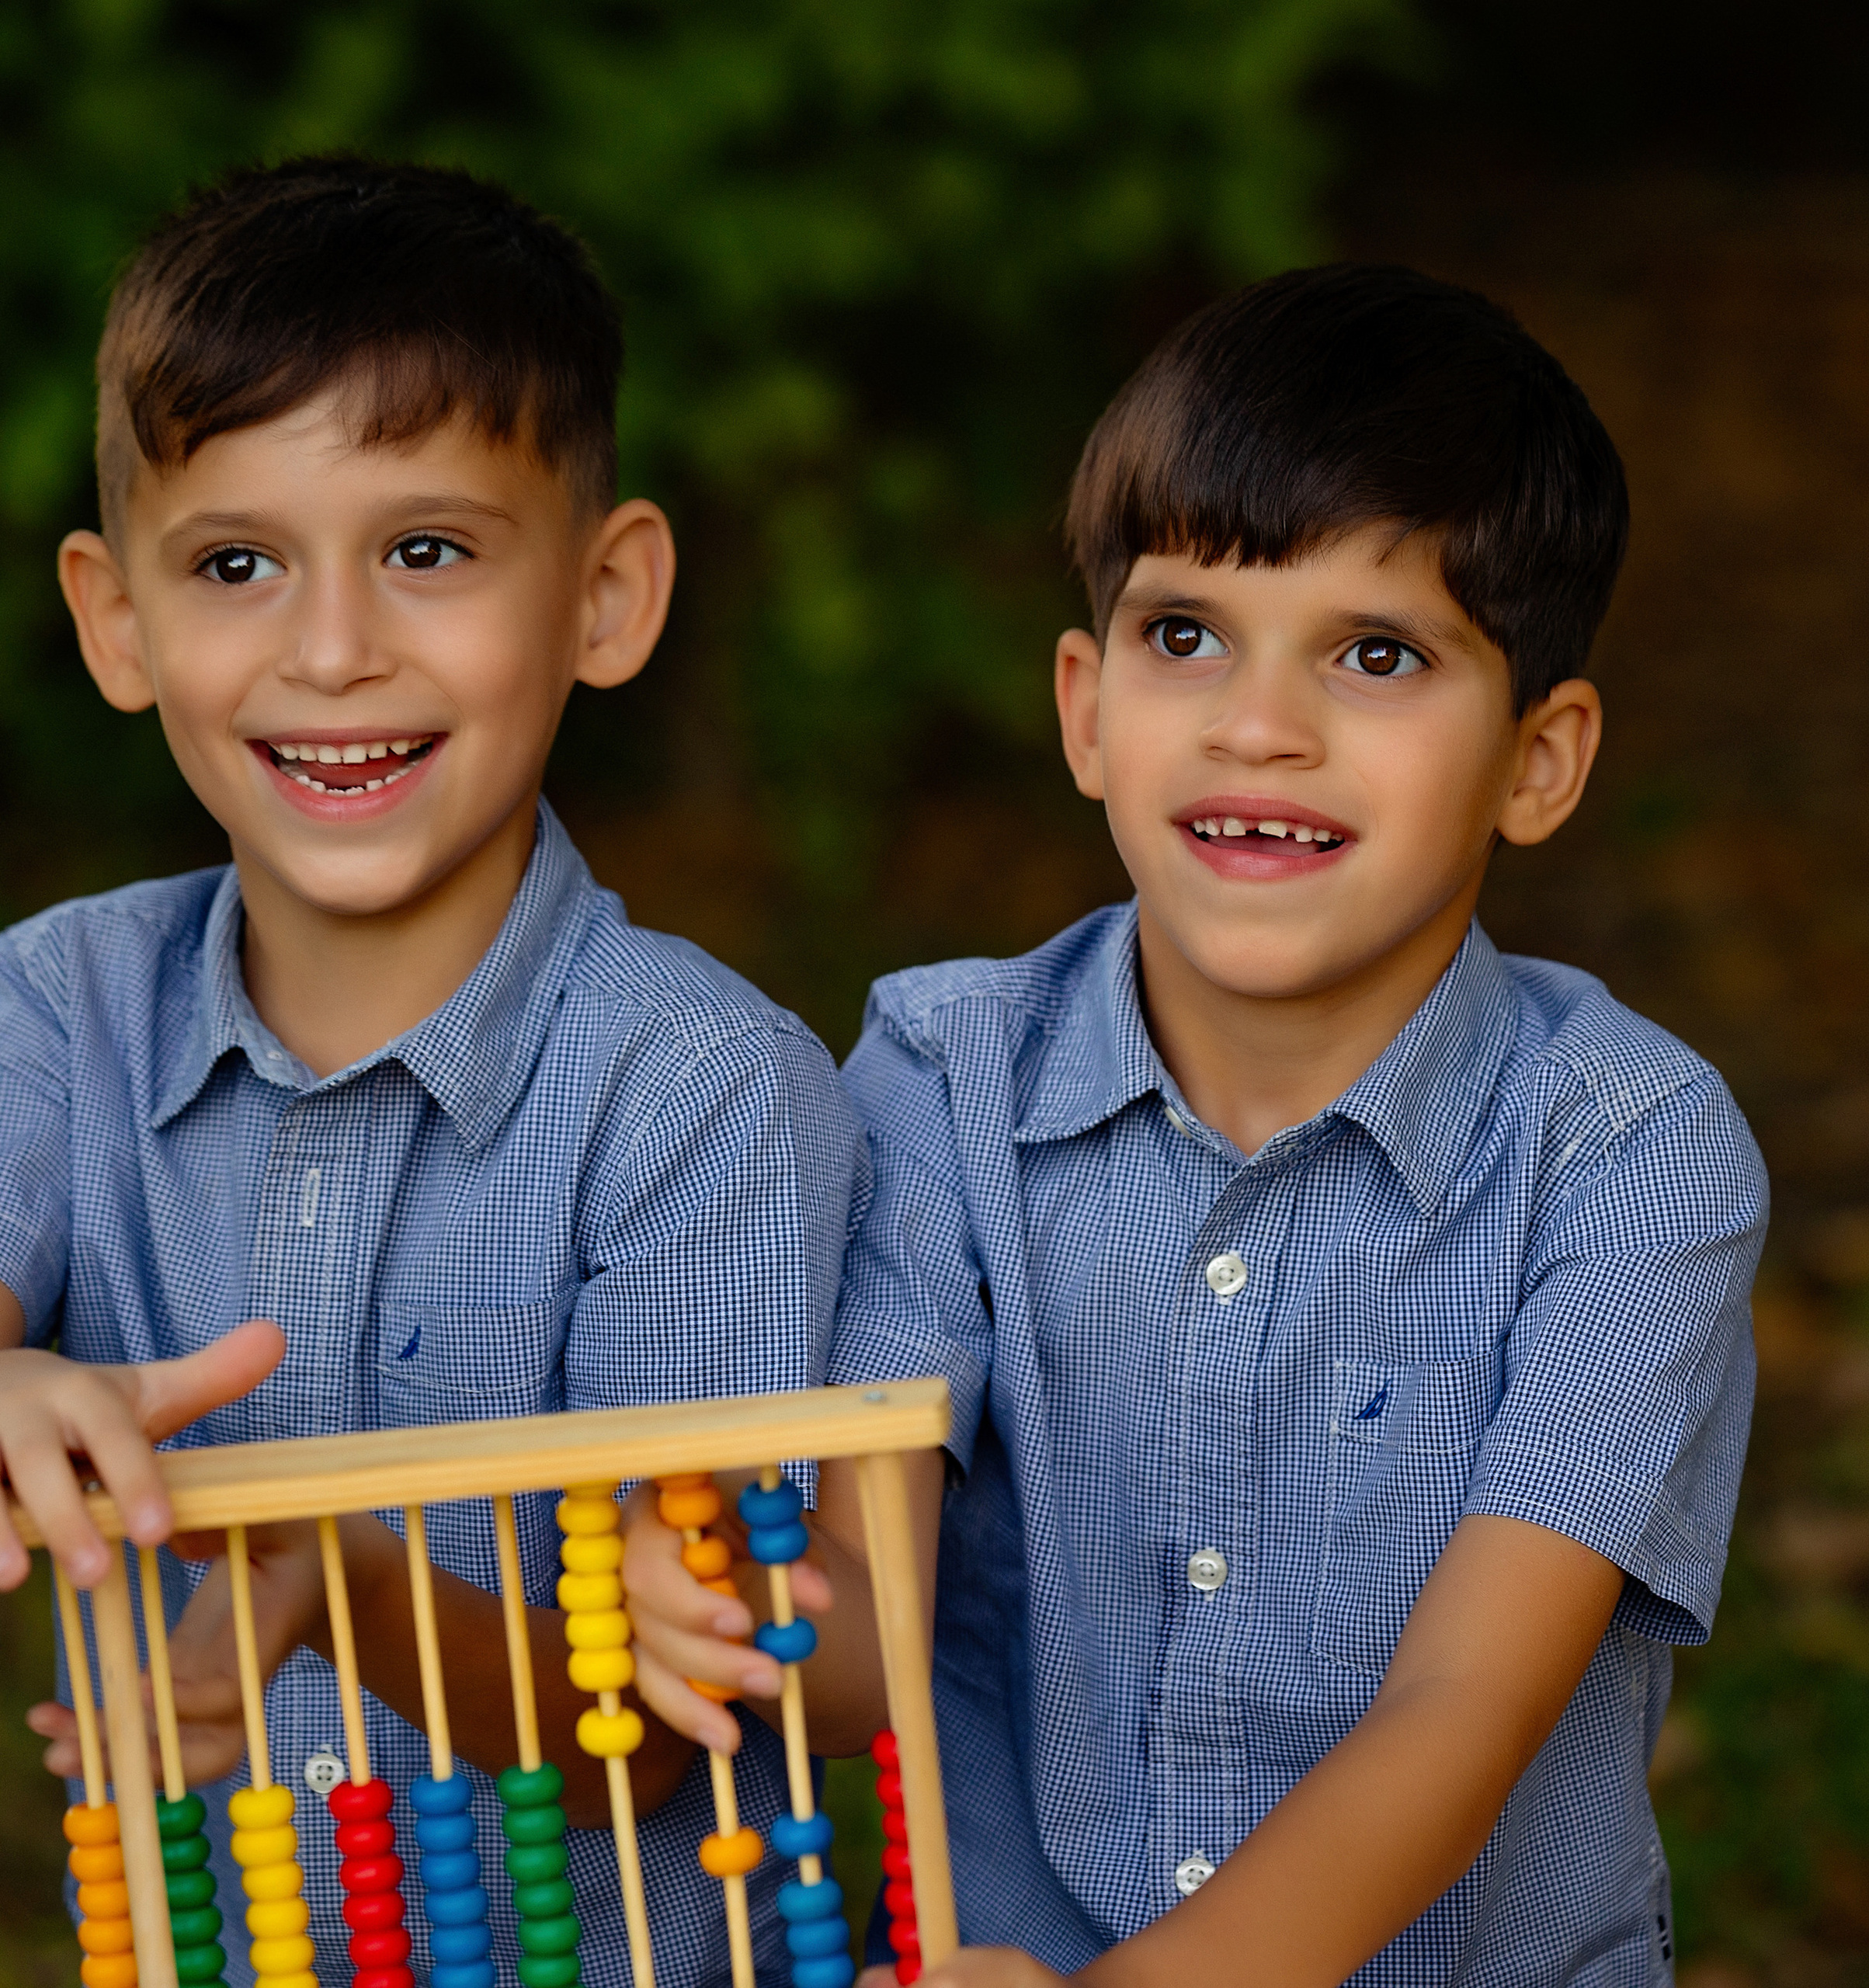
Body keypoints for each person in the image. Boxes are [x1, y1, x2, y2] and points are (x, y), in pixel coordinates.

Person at [624, 265, 1767, 1986]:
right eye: (1184, 636)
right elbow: (857, 1613)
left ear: (1538, 758)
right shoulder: (938, 1080)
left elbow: (1461, 1713)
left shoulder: (1625, 1149)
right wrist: (711, 1585)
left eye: (1374, 653)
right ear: (1084, 708)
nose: (1257, 724)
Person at [0, 158, 862, 1988]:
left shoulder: (704, 1094)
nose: (331, 648)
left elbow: (662, 1709)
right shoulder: (61, 1006)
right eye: (237, 563)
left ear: (608, 596)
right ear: (116, 622)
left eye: (428, 549)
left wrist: (336, 1581)